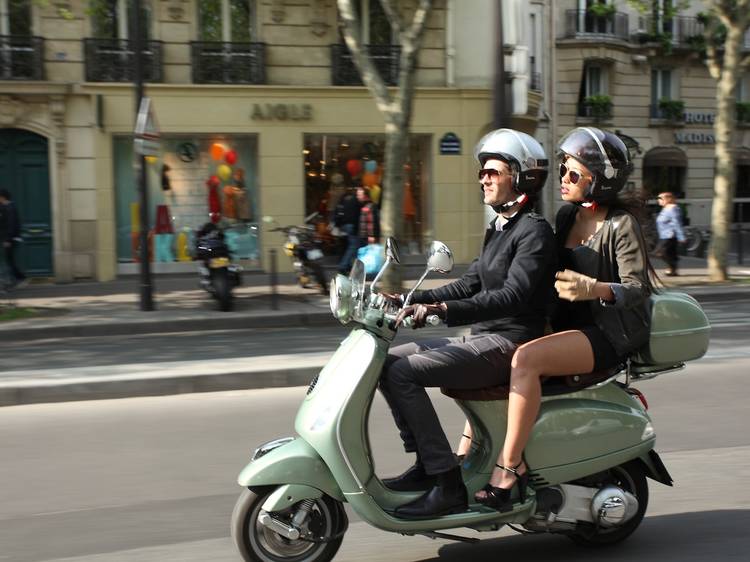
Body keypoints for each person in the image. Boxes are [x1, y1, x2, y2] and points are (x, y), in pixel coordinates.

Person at [472, 127, 656, 513]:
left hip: (607, 332)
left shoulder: (621, 226)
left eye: (574, 174)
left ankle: (509, 470)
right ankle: (468, 463)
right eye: (563, 171)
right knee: (495, 355)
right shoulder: (567, 214)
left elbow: (636, 288)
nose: (564, 180)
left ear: (599, 182)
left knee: (525, 360)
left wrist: (596, 288)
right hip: (568, 327)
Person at [378, 129, 556, 518]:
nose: (484, 179)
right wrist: (409, 298)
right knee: (387, 362)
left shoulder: (534, 232)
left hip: (508, 343)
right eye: (481, 173)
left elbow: (513, 297)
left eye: (493, 171)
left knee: (406, 372)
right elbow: (471, 282)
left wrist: (443, 311)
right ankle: (428, 465)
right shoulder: (499, 227)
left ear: (521, 176)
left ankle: (446, 482)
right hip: (481, 338)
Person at [0, 189, 26, 288]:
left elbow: (11, 225)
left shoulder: (10, 208)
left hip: (10, 239)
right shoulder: (4, 207)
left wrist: (8, 240)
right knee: (8, 260)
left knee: (9, 260)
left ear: (2, 197)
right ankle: (14, 279)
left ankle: (19, 278)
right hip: (6, 238)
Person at [656, 191, 686, 276]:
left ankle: (672, 268)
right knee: (668, 253)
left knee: (662, 253)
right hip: (664, 235)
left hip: (670, 235)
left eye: (660, 198)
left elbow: (677, 223)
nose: (658, 200)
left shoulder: (673, 209)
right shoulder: (666, 208)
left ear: (668, 199)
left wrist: (681, 237)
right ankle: (672, 269)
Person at [333, 186, 362, 274]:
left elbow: (337, 212)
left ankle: (349, 266)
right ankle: (343, 265)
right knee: (353, 246)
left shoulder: (343, 199)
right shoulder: (355, 201)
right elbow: (356, 216)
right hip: (351, 225)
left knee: (348, 246)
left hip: (343, 226)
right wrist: (356, 228)